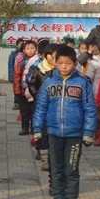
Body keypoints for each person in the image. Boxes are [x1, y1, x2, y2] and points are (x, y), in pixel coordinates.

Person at [32, 45, 97, 199]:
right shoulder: (48, 82)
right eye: (60, 63)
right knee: (56, 168)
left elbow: (90, 109)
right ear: (55, 63)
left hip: (74, 135)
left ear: (74, 63)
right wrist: (37, 128)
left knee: (71, 169)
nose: (64, 67)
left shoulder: (83, 83)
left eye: (68, 63)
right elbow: (40, 107)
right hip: (53, 133)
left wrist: (89, 132)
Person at [27, 43, 57, 171]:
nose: (55, 58)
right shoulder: (37, 68)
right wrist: (39, 97)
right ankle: (43, 155)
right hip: (41, 104)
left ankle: (53, 156)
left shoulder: (62, 69)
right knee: (41, 130)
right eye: (53, 55)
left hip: (56, 106)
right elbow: (31, 84)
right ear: (46, 56)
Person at [15, 40, 37, 135]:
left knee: (34, 111)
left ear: (36, 49)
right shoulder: (21, 61)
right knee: (24, 111)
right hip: (23, 91)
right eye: (28, 48)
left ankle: (33, 128)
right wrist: (17, 90)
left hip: (34, 91)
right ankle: (25, 128)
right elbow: (17, 76)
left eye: (32, 48)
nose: (30, 50)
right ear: (24, 50)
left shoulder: (38, 61)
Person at [8, 39, 24, 109]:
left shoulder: (25, 53)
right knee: (16, 89)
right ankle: (16, 103)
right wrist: (11, 76)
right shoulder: (13, 54)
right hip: (15, 75)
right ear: (17, 45)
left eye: (22, 44)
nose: (21, 45)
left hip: (22, 76)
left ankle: (21, 103)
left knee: (21, 90)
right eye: (20, 44)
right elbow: (10, 66)